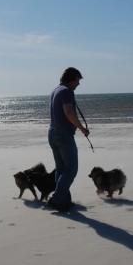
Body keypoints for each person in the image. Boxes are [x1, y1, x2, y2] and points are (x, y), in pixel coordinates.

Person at [47, 67, 90, 212]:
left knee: (61, 169)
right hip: (63, 135)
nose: (78, 84)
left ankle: (64, 200)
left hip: (52, 133)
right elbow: (69, 112)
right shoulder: (66, 91)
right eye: (77, 80)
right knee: (71, 169)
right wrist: (82, 128)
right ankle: (57, 200)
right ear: (71, 79)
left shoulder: (55, 90)